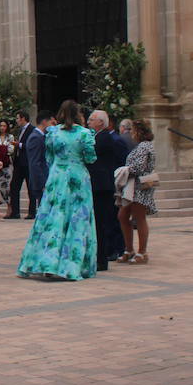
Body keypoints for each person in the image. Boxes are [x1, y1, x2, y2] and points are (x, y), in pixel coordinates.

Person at [18, 100, 98, 281]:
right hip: (77, 177)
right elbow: (91, 158)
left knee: (52, 217)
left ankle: (45, 262)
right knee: (77, 219)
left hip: (57, 176)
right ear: (78, 114)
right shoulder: (85, 134)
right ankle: (71, 265)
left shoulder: (53, 133)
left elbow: (49, 158)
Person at [87, 110, 128, 271]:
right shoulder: (98, 136)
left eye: (92, 119)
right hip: (99, 184)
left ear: (101, 123)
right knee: (99, 222)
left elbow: (91, 154)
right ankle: (100, 256)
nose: (89, 122)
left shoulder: (103, 137)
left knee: (101, 222)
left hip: (101, 185)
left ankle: (102, 258)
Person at [117, 119, 159, 265]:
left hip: (140, 186)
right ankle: (129, 249)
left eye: (133, 131)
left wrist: (124, 170)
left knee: (139, 217)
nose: (131, 134)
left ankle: (142, 251)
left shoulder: (144, 146)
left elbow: (139, 167)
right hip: (132, 186)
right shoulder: (141, 146)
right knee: (123, 215)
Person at [7, 111, 34, 218]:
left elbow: (32, 144)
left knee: (30, 187)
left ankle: (32, 212)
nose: (17, 121)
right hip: (18, 162)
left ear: (23, 118)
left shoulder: (32, 130)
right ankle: (15, 212)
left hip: (27, 163)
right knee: (14, 186)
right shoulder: (20, 130)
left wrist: (20, 144)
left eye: (18, 118)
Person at [25, 111, 52, 215]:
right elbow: (35, 163)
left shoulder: (41, 136)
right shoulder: (35, 137)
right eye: (50, 122)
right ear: (44, 122)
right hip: (41, 181)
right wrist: (42, 182)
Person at [0, 118, 14, 214]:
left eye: (4, 126)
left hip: (7, 164)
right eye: (1, 126)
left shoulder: (10, 137)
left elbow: (11, 149)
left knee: (7, 186)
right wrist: (2, 148)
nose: (2, 128)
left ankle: (9, 206)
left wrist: (0, 148)